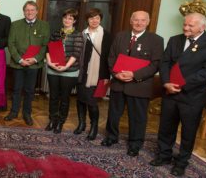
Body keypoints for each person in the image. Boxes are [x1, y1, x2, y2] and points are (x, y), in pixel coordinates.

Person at [149, 13, 206, 177]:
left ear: (203, 27)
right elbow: (165, 62)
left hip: (192, 96)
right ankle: (164, 155)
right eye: (185, 24)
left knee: (188, 132)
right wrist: (166, 82)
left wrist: (181, 85)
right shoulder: (175, 40)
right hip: (169, 91)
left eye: (191, 26)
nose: (186, 28)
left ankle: (181, 162)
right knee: (166, 127)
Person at [102, 11, 164, 157]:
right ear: (131, 21)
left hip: (139, 85)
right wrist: (115, 73)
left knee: (138, 117)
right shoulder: (120, 36)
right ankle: (111, 137)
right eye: (136, 20)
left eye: (142, 20)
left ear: (148, 22)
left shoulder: (156, 40)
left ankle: (135, 143)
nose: (138, 23)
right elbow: (111, 57)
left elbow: (155, 64)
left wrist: (134, 75)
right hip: (118, 82)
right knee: (113, 113)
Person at [4, 0, 50, 126]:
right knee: (16, 89)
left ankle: (27, 114)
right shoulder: (15, 25)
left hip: (34, 64)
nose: (29, 12)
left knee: (30, 90)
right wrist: (19, 59)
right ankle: (13, 112)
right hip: (18, 63)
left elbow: (45, 45)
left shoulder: (44, 26)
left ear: (36, 11)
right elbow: (11, 44)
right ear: (24, 11)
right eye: (27, 10)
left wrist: (35, 59)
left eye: (32, 10)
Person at [73, 8, 112, 140]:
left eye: (97, 18)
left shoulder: (106, 35)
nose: (94, 20)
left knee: (92, 102)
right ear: (87, 20)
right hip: (82, 72)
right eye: (91, 18)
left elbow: (109, 57)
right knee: (80, 99)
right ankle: (81, 123)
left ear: (100, 19)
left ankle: (93, 126)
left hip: (98, 74)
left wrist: (107, 76)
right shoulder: (82, 34)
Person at [45, 8, 83, 133]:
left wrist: (66, 67)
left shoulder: (77, 35)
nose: (67, 20)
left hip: (69, 71)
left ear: (74, 21)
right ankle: (52, 120)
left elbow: (76, 53)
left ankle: (60, 122)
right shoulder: (56, 33)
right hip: (53, 70)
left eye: (70, 18)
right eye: (65, 17)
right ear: (63, 19)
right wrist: (50, 63)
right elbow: (48, 49)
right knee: (53, 97)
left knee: (65, 98)